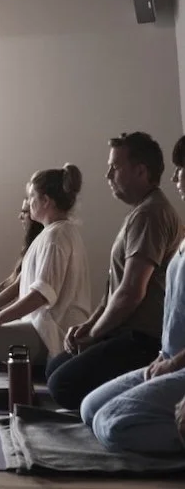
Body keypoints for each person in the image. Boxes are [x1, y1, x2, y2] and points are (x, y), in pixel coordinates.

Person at [46, 132, 181, 410]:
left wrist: (95, 334)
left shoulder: (150, 214)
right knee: (55, 368)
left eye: (115, 167)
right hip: (124, 330)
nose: (108, 175)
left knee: (62, 384)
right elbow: (116, 288)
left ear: (141, 171)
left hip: (142, 340)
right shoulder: (141, 211)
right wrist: (89, 326)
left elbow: (131, 292)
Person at [79, 136, 185, 454]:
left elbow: (131, 291)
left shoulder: (153, 213)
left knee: (113, 424)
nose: (175, 177)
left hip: (173, 360)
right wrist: (164, 358)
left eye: (181, 168)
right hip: (167, 358)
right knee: (89, 409)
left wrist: (174, 363)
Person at [0, 164, 90, 371]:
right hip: (42, 327)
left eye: (32, 196)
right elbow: (20, 282)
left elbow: (41, 295)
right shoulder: (53, 233)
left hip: (53, 332)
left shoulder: (56, 236)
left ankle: (30, 363)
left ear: (46, 201)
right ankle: (6, 359)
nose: (29, 202)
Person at [0, 196, 44, 324]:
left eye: (24, 212)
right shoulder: (31, 244)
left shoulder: (42, 243)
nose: (20, 217)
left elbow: (17, 285)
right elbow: (12, 280)